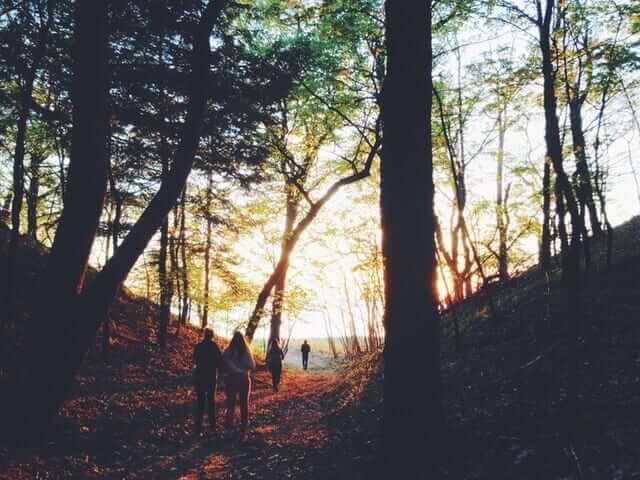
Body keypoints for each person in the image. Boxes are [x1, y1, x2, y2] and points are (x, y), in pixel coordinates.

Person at [222, 331, 256, 434]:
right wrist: (243, 368)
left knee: (230, 403)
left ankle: (229, 423)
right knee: (243, 403)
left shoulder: (228, 351)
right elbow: (253, 366)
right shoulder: (246, 351)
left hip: (231, 379)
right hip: (244, 379)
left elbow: (222, 362)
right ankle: (244, 423)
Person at [193, 328, 222, 436]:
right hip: (211, 377)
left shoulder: (198, 346)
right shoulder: (215, 347)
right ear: (212, 336)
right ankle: (212, 425)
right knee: (211, 401)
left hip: (200, 376)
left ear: (204, 335)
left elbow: (195, 359)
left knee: (200, 402)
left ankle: (198, 427)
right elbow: (219, 362)